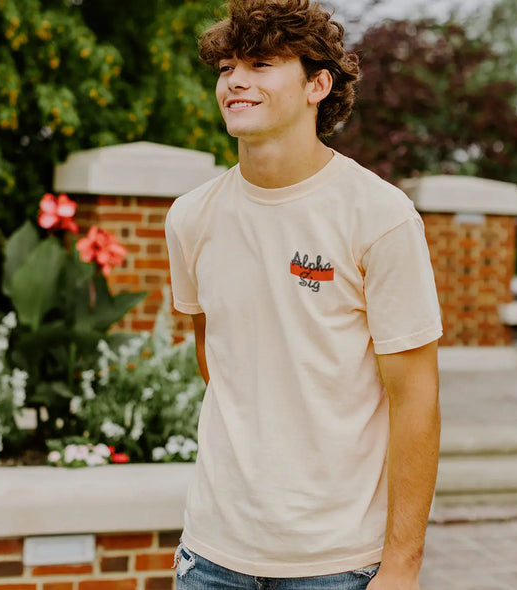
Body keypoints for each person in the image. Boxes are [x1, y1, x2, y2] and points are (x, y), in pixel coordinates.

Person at [165, 1, 442, 588]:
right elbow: (214, 358)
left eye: (261, 64)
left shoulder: (381, 216)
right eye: (227, 68)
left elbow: (416, 400)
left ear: (318, 85)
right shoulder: (190, 217)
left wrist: (402, 564)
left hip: (337, 564)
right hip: (211, 556)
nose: (235, 81)